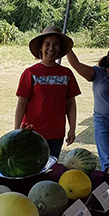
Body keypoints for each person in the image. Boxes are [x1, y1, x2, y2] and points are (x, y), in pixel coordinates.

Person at [15, 26, 81, 158]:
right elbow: (21, 104)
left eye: (55, 45)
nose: (51, 49)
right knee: (31, 169)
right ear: (41, 47)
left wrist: (72, 129)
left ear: (60, 48)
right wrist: (16, 131)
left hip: (56, 134)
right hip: (31, 132)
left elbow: (70, 104)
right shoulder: (30, 73)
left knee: (51, 168)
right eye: (47, 44)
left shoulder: (66, 74)